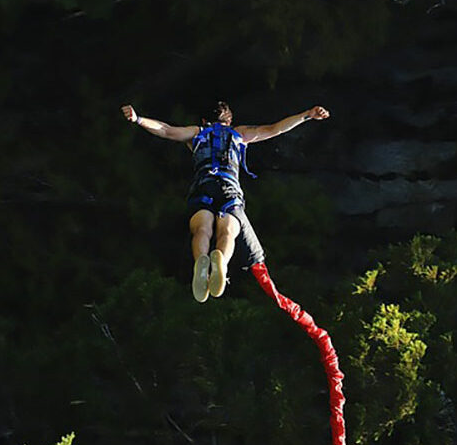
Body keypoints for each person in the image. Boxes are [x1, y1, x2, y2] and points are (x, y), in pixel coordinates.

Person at [121, 101, 330, 302]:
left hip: (203, 188)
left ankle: (201, 260)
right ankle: (221, 260)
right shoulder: (239, 134)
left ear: (205, 120)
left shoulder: (196, 133)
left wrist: (138, 118)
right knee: (228, 232)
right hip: (229, 190)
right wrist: (307, 115)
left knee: (202, 230)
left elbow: (166, 130)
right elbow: (276, 129)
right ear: (229, 121)